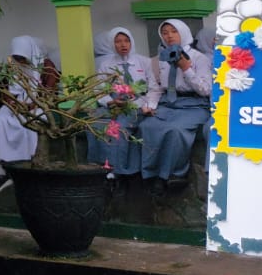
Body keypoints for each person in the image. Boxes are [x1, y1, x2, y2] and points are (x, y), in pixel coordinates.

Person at [140, 18, 211, 196]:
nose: (169, 36)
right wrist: (150, 105)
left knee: (175, 130)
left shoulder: (198, 58)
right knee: (148, 126)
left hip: (193, 104)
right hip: (168, 103)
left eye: (174, 31)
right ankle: (150, 174)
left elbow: (205, 89)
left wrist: (186, 68)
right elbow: (156, 87)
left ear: (183, 32)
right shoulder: (159, 60)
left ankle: (171, 175)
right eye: (165, 32)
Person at [87, 26, 150, 177]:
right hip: (113, 105)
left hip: (137, 105)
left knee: (117, 127)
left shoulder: (144, 62)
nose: (123, 45)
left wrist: (135, 104)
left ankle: (116, 169)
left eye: (126, 41)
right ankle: (98, 165)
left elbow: (153, 88)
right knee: (94, 123)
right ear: (112, 44)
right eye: (118, 41)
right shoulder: (106, 64)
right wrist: (110, 102)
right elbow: (99, 90)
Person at [0, 36, 42, 192]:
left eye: (22, 58)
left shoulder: (44, 66)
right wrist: (12, 103)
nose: (19, 61)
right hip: (15, 106)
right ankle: (1, 172)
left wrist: (30, 104)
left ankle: (27, 167)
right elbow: (5, 92)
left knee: (29, 125)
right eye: (16, 57)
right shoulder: (10, 67)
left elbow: (47, 93)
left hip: (38, 106)